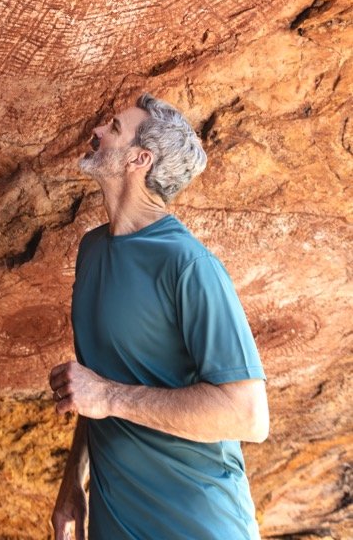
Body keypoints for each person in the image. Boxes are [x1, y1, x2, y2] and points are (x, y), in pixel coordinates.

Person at [49, 93, 268, 540]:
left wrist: (108, 397)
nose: (96, 131)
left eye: (112, 128)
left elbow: (248, 415)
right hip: (115, 525)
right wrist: (74, 481)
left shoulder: (187, 264)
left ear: (139, 158)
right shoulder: (92, 250)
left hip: (198, 525)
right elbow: (101, 384)